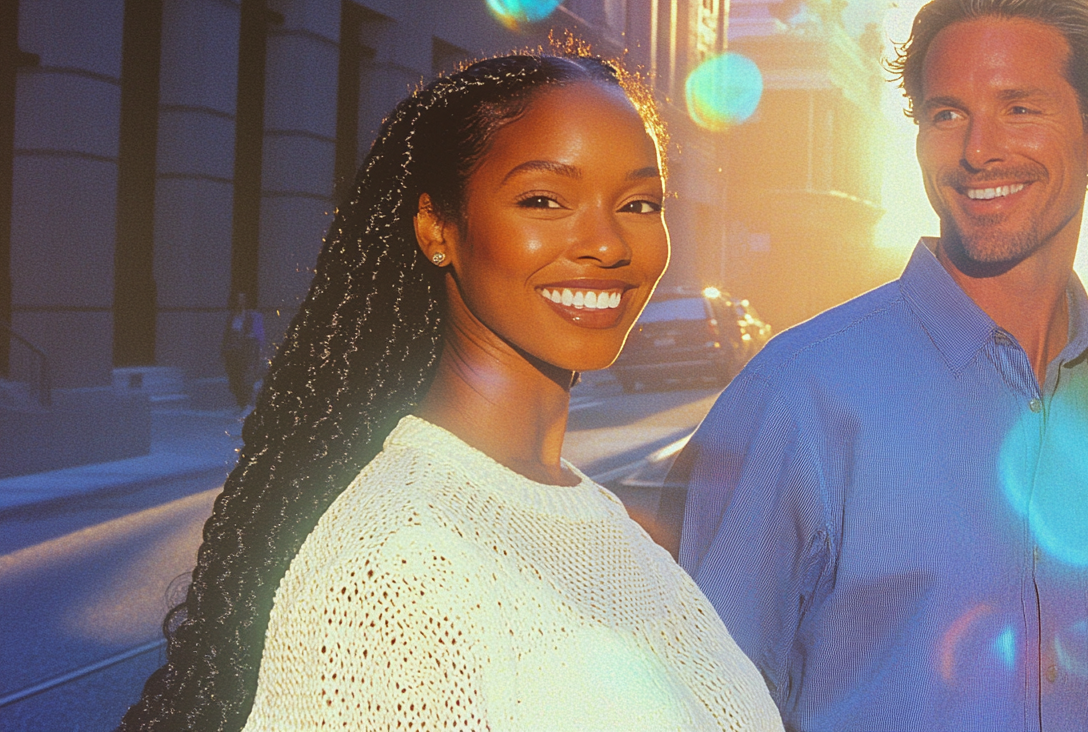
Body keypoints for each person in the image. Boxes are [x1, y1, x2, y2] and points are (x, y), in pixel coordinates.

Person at [118, 52, 782, 732]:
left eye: (638, 203)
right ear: (438, 229)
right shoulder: (395, 564)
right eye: (544, 201)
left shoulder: (605, 523)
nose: (608, 243)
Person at [666, 0, 1088, 731]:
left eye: (1020, 109)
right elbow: (694, 704)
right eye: (946, 113)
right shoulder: (797, 396)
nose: (979, 149)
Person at [221, 291, 265, 408]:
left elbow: (259, 335)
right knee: (234, 378)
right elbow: (227, 334)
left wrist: (256, 349)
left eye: (243, 300)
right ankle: (241, 402)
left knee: (245, 377)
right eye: (238, 300)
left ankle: (245, 403)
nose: (240, 302)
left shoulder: (253, 316)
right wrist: (224, 349)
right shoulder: (231, 316)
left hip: (245, 352)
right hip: (232, 352)